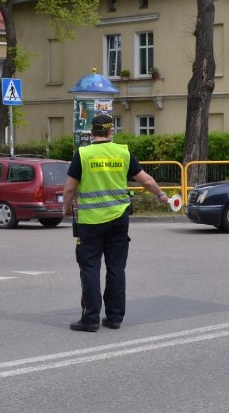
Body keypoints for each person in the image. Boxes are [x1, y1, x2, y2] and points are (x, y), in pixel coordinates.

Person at [62, 114, 168, 332]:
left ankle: (90, 319)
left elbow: (70, 188)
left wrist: (65, 208)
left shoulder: (83, 154)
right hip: (119, 220)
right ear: (111, 132)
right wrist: (161, 195)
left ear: (92, 132)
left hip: (91, 222)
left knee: (90, 268)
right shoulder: (123, 152)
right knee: (116, 268)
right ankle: (114, 317)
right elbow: (146, 180)